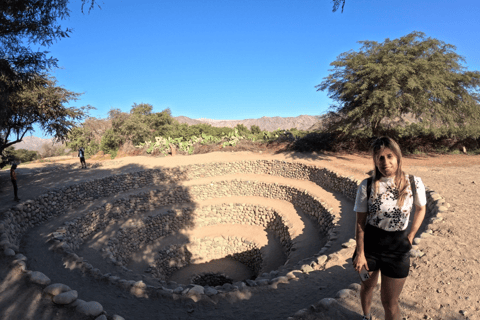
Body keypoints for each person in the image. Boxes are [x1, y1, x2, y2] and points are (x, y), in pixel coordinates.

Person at [353, 137, 426, 320]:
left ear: (398, 157)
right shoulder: (367, 185)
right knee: (367, 286)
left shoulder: (413, 183)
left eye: (389, 156)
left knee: (390, 302)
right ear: (375, 160)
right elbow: (360, 222)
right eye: (380, 158)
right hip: (370, 245)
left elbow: (421, 208)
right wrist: (360, 253)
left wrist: (411, 234)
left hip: (398, 248)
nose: (385, 162)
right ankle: (366, 315)